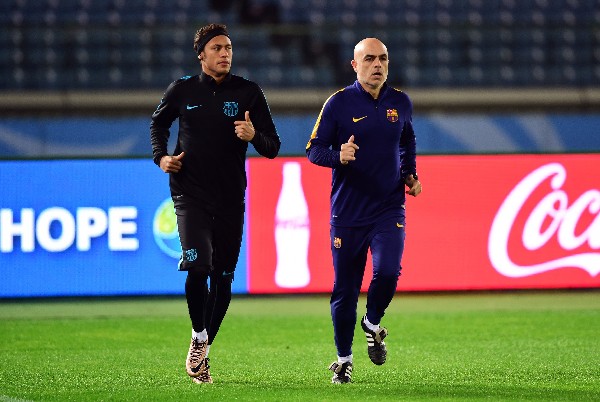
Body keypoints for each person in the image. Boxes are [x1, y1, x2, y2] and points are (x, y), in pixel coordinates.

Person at [150, 23, 280, 384]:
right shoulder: (182, 89)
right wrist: (162, 157)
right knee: (198, 266)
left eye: (229, 48)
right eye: (218, 48)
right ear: (201, 55)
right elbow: (158, 125)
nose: (225, 53)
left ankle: (204, 346)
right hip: (189, 193)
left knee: (223, 278)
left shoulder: (248, 92)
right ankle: (198, 336)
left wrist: (254, 136)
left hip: (230, 196)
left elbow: (273, 146)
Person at [306, 37, 422, 384]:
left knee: (388, 272)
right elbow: (313, 150)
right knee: (345, 289)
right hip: (348, 214)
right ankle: (344, 360)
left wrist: (411, 174)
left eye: (383, 58)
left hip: (389, 207)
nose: (377, 65)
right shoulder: (338, 104)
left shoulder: (400, 102)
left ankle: (371, 323)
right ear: (354, 65)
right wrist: (337, 156)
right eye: (369, 59)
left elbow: (407, 141)